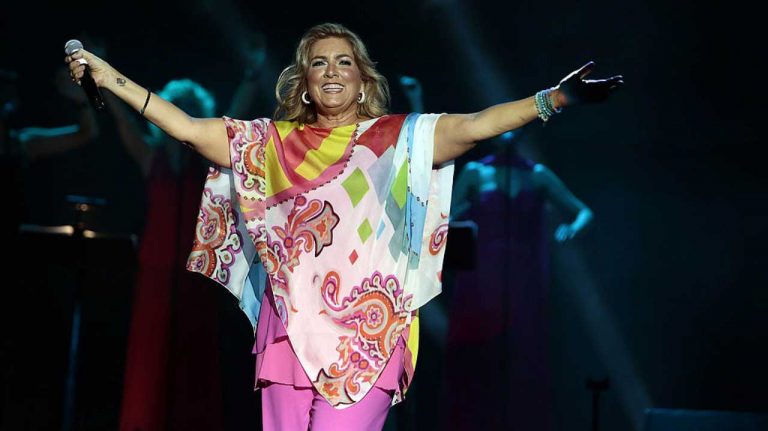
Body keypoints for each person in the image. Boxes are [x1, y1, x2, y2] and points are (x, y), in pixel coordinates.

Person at [65, 22, 622, 430]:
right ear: (305, 82)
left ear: (362, 81)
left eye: (344, 62)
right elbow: (187, 129)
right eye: (319, 62)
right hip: (288, 333)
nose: (332, 70)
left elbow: (477, 125)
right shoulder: (270, 143)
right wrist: (109, 77)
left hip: (369, 337)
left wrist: (557, 97)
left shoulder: (398, 139)